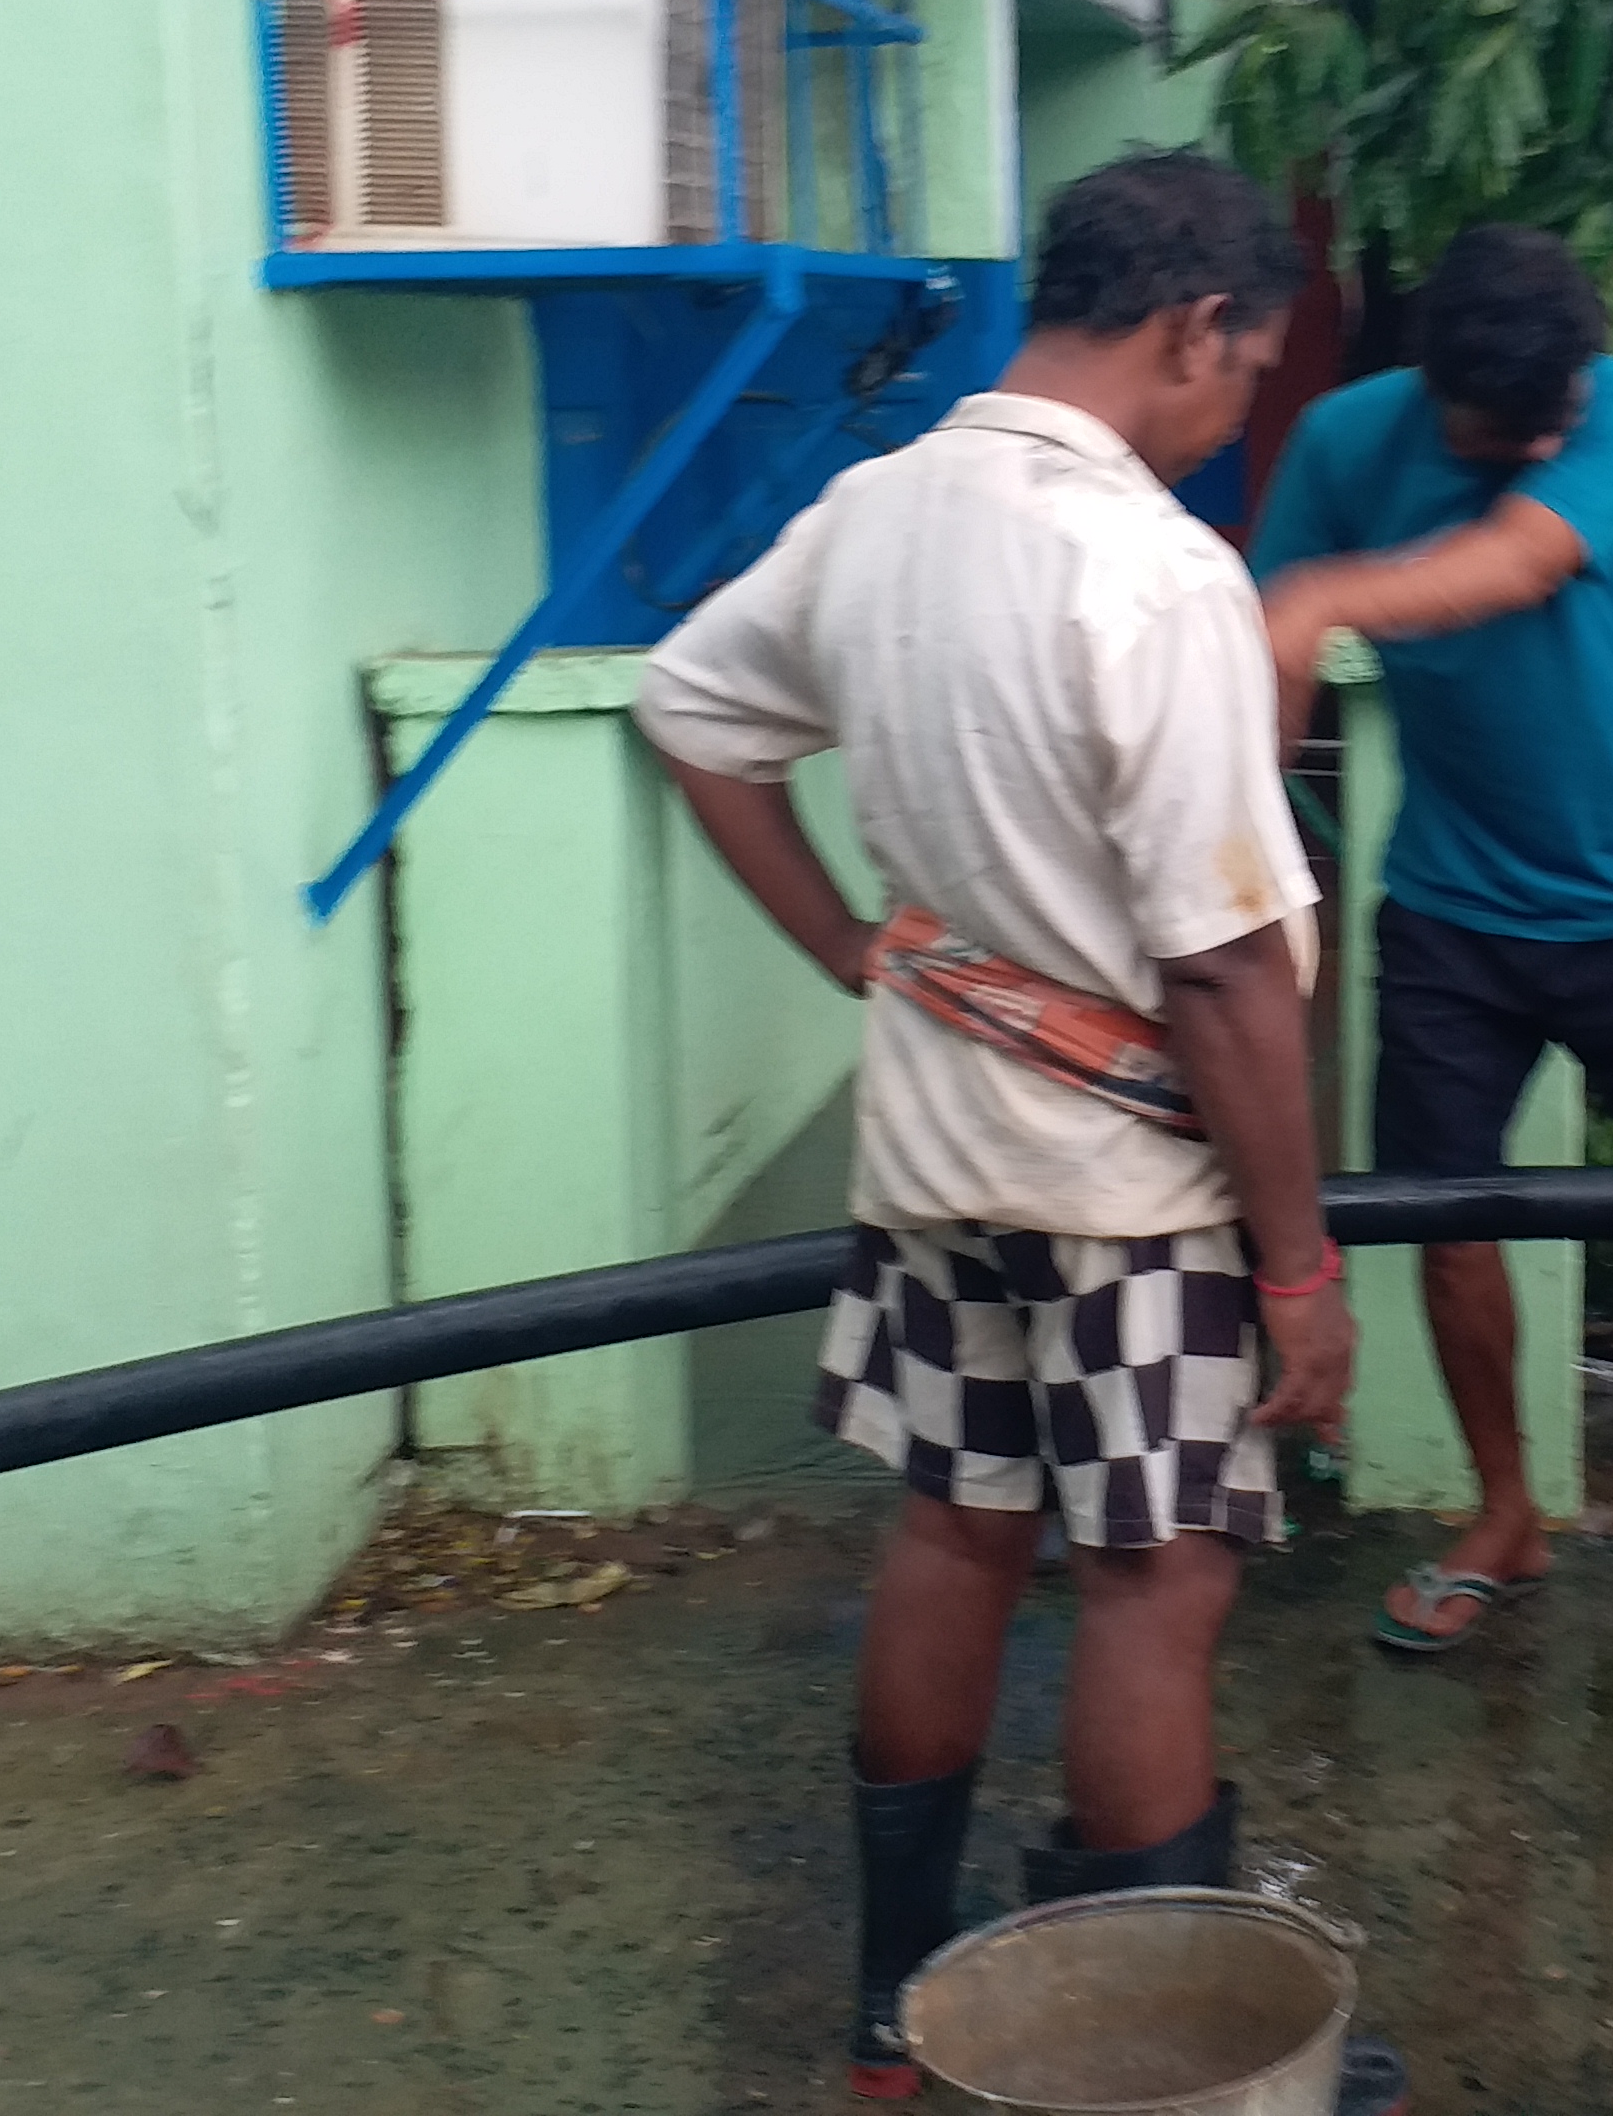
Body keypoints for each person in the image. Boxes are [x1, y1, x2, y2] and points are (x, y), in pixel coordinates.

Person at [632, 150, 1401, 2114]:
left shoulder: (878, 513)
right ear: (1187, 329)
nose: (1242, 412)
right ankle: (1147, 2059)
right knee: (1156, 1579)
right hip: (1132, 1191)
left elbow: (697, 718)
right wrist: (1298, 1266)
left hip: (936, 1156)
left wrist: (850, 952)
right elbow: (1229, 975)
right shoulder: (1151, 573)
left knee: (954, 1539)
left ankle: (900, 2024)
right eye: (1248, 367)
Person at [1247, 224, 1613, 1655]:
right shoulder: (1347, 441)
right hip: (1449, 908)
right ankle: (1506, 1515)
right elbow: (1261, 636)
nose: (1558, 432)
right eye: (1517, 429)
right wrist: (1249, 860)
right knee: (1444, 1221)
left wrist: (1322, 600)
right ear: (1438, 394)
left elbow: (1521, 562)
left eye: (1566, 405)